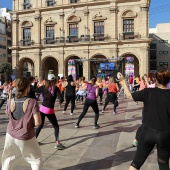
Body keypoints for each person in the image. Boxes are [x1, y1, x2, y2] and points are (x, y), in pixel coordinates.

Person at [117, 69, 170, 170]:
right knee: (163, 164)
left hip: (147, 132)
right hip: (165, 135)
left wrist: (123, 81)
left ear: (156, 80)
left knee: (136, 163)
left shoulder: (148, 92)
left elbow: (129, 95)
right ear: (168, 80)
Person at [1, 77, 42, 170]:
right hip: (25, 135)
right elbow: (38, 122)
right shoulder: (32, 102)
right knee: (36, 160)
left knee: (8, 159)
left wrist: (10, 97)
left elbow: (8, 114)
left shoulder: (10, 101)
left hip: (10, 135)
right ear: (28, 87)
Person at [35, 71, 65, 150]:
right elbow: (61, 98)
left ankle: (34, 141)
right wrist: (60, 102)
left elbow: (35, 90)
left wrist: (37, 82)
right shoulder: (56, 88)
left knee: (40, 125)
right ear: (55, 80)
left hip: (42, 108)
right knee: (56, 126)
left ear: (47, 80)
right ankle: (57, 143)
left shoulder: (43, 87)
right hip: (49, 109)